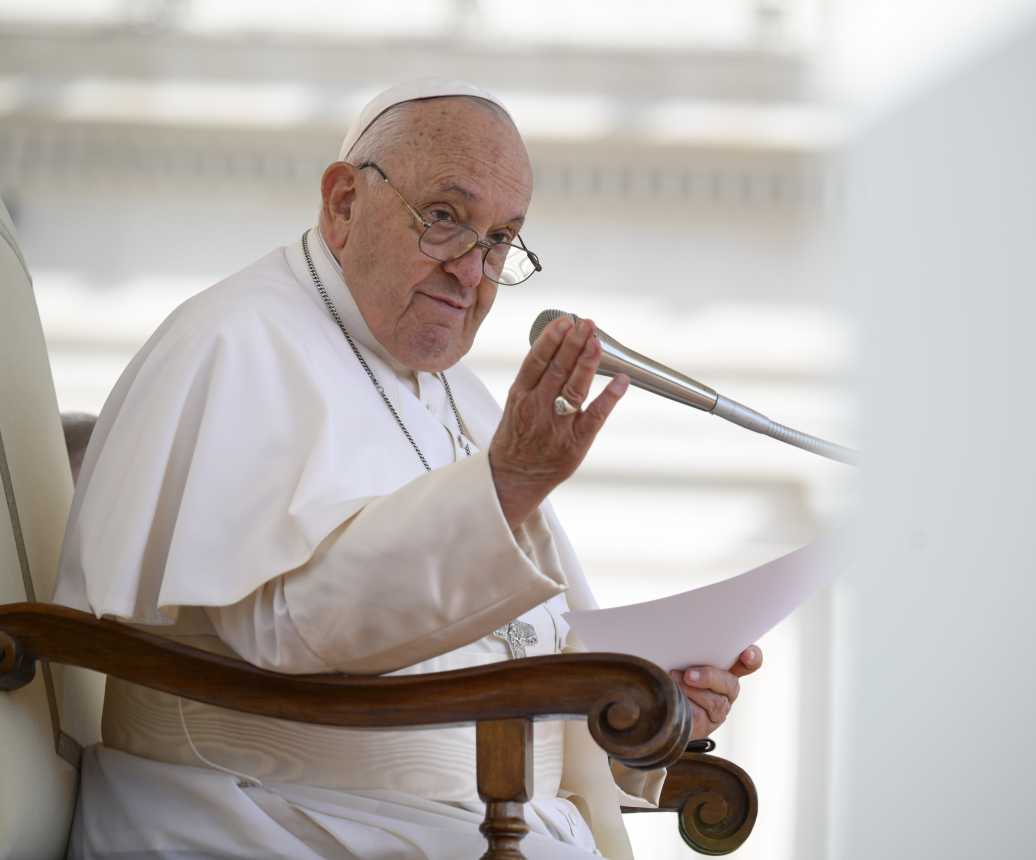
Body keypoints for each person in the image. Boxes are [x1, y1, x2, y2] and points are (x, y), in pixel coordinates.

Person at [53, 79, 762, 859]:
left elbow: (526, 650)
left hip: (457, 821)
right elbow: (285, 631)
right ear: (344, 202)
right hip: (264, 817)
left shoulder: (458, 391)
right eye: (446, 219)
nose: (473, 270)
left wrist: (650, 706)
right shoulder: (233, 341)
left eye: (501, 240)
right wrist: (504, 488)